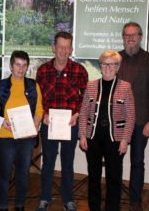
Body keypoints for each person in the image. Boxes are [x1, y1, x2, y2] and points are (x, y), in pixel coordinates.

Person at [36, 31, 88, 211]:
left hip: (70, 125)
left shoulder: (79, 70)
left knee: (68, 162)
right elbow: (38, 98)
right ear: (53, 48)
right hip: (48, 124)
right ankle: (44, 198)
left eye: (67, 47)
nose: (63, 50)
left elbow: (86, 98)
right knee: (48, 162)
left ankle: (68, 199)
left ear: (71, 49)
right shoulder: (42, 70)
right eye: (60, 46)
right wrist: (43, 114)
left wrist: (77, 114)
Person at [79, 50, 135, 211]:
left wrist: (125, 140)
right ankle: (94, 208)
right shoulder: (91, 85)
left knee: (113, 178)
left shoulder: (125, 87)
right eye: (104, 64)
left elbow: (130, 116)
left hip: (115, 140)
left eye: (112, 64)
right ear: (100, 66)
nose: (108, 67)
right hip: (93, 139)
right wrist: (83, 135)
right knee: (94, 177)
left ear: (117, 67)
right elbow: (83, 113)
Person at [0, 51, 43, 211]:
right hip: (4, 137)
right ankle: (2, 205)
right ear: (11, 66)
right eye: (17, 64)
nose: (21, 69)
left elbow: (39, 110)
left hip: (26, 137)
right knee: (5, 172)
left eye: (24, 65)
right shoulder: (0, 85)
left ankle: (20, 205)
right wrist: (2, 121)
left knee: (23, 173)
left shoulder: (33, 85)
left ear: (27, 67)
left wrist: (34, 128)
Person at [117, 22, 149, 211]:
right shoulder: (115, 59)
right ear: (123, 37)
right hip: (118, 121)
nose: (130, 39)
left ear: (140, 37)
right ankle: (114, 195)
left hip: (141, 121)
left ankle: (135, 199)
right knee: (114, 159)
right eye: (126, 35)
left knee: (137, 161)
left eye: (134, 35)